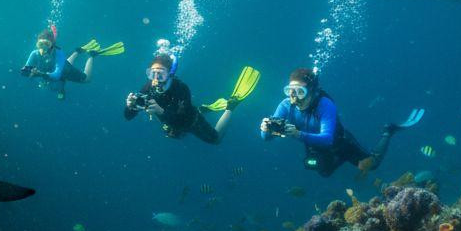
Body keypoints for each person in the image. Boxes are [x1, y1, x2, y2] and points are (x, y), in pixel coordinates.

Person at [260, 68, 424, 177]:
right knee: (324, 173)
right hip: (314, 146)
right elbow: (266, 138)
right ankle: (341, 159)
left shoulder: (325, 105)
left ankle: (388, 131)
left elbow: (327, 138)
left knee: (371, 165)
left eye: (300, 92)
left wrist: (298, 134)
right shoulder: (285, 105)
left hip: (340, 143)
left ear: (312, 91)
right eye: (290, 91)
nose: (293, 97)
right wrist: (266, 129)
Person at [124, 52, 260, 144]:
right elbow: (128, 117)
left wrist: (161, 112)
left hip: (191, 121)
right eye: (152, 73)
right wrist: (130, 107)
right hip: (173, 124)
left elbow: (181, 120)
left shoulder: (181, 89)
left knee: (215, 140)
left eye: (161, 74)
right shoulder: (148, 88)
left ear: (170, 74)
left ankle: (231, 106)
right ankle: (203, 109)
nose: (155, 79)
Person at [20, 24, 123, 100]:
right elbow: (26, 69)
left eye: (46, 44)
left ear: (51, 44)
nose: (43, 48)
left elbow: (57, 75)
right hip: (57, 69)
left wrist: (40, 74)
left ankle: (91, 56)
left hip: (64, 70)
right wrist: (27, 71)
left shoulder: (58, 53)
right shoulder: (34, 53)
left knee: (86, 79)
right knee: (62, 72)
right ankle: (77, 52)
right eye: (40, 44)